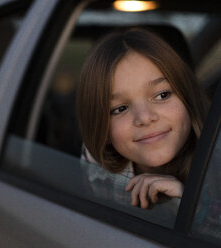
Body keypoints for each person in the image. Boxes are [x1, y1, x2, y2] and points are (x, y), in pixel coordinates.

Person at [76, 28, 209, 209]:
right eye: (120, 109)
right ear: (102, 130)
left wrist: (191, 207)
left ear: (187, 97)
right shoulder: (98, 168)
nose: (145, 118)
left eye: (162, 95)